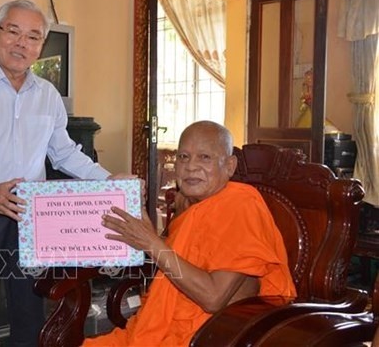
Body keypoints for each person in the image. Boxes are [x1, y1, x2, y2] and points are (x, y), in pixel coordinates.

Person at [0, 0, 132, 347]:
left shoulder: (47, 95)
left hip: (32, 216)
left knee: (30, 306)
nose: (22, 43)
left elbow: (64, 152)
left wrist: (108, 180)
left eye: (33, 37)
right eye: (14, 32)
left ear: (40, 47)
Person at [84, 120, 297, 347]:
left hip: (208, 336)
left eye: (204, 157)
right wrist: (144, 239)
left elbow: (213, 297)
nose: (190, 166)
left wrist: (152, 243)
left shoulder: (241, 205)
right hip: (162, 331)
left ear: (230, 166)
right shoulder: (195, 206)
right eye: (183, 157)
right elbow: (192, 257)